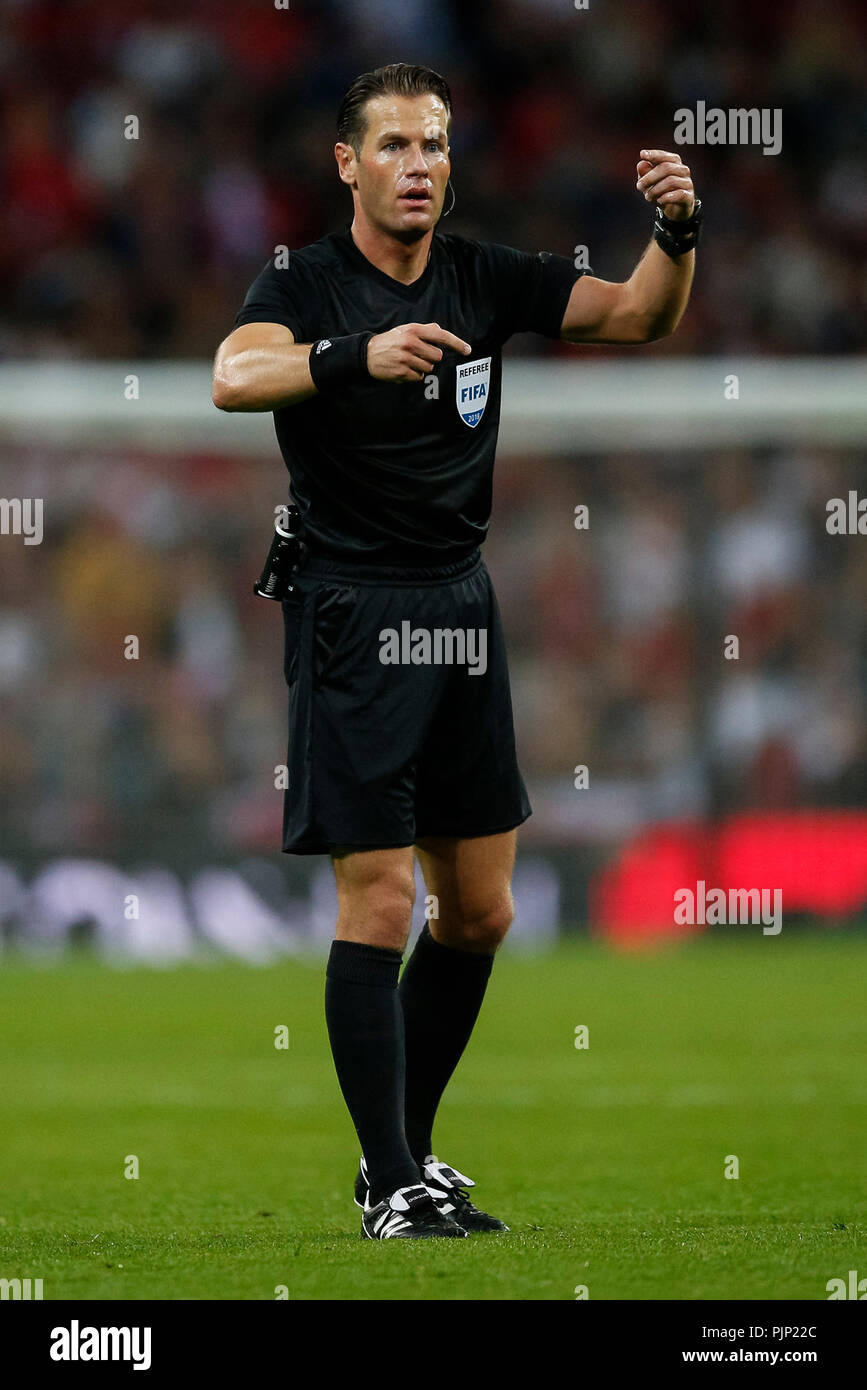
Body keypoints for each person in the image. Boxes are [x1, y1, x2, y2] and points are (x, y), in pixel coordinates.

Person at [212, 62, 699, 1239]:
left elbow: (638, 314)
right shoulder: (303, 280)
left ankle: (411, 1154)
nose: (420, 164)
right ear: (348, 164)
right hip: (352, 612)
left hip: (461, 610)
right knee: (378, 898)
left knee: (479, 912)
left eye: (434, 144)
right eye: (393, 146)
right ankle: (387, 1183)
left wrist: (677, 230)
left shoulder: (484, 274)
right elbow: (233, 376)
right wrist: (349, 359)